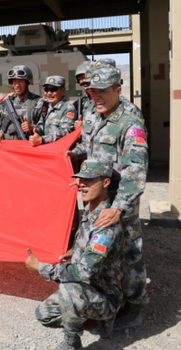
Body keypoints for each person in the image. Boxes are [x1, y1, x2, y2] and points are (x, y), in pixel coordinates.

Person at [67, 67, 149, 331]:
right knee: (100, 251)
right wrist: (66, 153)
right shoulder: (91, 114)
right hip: (96, 197)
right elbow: (88, 147)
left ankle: (134, 306)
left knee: (128, 252)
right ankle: (107, 303)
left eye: (103, 91)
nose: (97, 96)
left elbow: (135, 171)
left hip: (118, 200)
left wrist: (120, 208)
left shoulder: (130, 121)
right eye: (92, 91)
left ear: (118, 90)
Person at [26, 159, 124, 350]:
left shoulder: (106, 225)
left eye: (89, 180)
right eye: (80, 180)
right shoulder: (90, 211)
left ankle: (71, 342)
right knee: (44, 314)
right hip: (86, 290)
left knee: (69, 288)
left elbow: (84, 272)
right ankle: (81, 313)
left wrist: (41, 268)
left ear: (105, 183)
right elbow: (89, 246)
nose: (82, 185)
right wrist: (74, 251)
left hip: (105, 296)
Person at [0, 65, 46, 147]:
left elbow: (46, 127)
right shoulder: (7, 102)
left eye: (20, 81)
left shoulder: (39, 102)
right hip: (8, 148)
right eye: (14, 82)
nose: (17, 85)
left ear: (28, 82)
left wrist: (32, 127)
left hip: (28, 148)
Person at [30, 75, 77, 147]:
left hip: (59, 150)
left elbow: (66, 133)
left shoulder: (68, 109)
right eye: (46, 89)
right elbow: (41, 126)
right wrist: (33, 128)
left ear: (63, 90)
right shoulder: (46, 106)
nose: (49, 93)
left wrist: (42, 139)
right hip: (46, 148)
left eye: (53, 89)